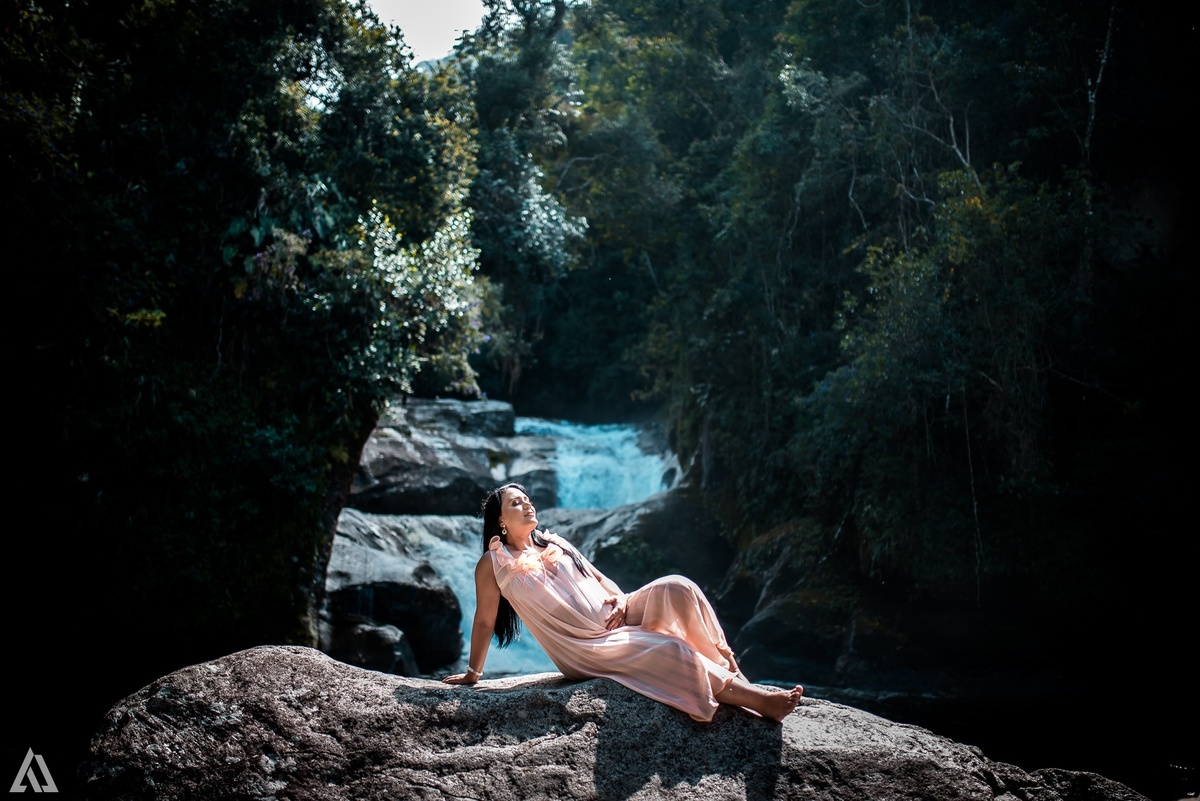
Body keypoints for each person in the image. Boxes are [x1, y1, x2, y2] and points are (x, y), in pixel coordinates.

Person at [442, 482, 804, 723]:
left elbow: (599, 578)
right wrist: (474, 674)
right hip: (586, 646)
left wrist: (619, 600)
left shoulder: (556, 542)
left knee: (679, 587)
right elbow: (485, 620)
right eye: (515, 502)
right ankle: (759, 703)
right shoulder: (493, 564)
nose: (526, 504)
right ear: (500, 521)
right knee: (669, 647)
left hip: (618, 614)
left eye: (527, 499)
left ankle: (735, 675)